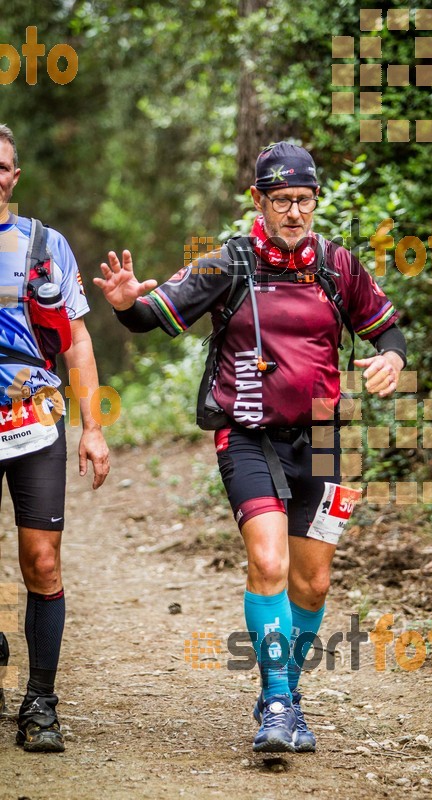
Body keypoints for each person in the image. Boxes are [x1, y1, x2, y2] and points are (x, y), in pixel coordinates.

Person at [95, 141, 406, 753]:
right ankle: (278, 702)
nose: (295, 212)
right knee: (268, 563)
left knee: (313, 584)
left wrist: (392, 356)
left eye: (305, 200)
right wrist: (128, 305)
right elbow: (152, 316)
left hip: (325, 437)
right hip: (246, 434)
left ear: (316, 201)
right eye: (282, 200)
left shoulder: (339, 266)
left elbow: (387, 326)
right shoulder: (227, 265)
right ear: (258, 201)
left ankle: (284, 689)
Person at [0, 124, 110, 752]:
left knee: (41, 561)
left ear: (16, 176)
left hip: (33, 419)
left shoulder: (45, 245)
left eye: (5, 166)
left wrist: (93, 427)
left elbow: (79, 341)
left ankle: (40, 700)